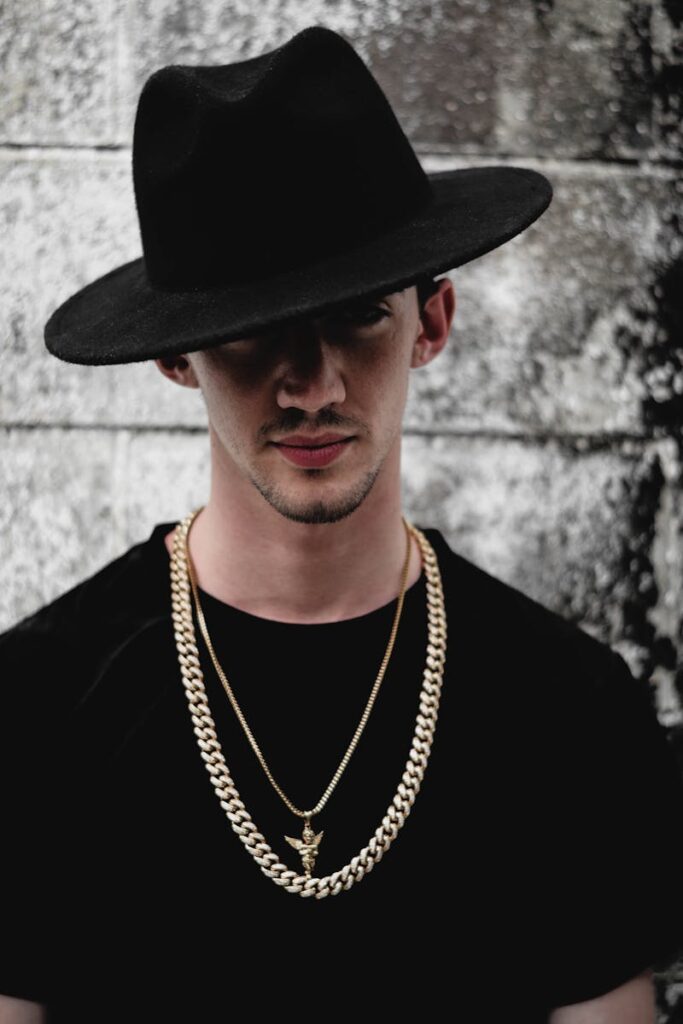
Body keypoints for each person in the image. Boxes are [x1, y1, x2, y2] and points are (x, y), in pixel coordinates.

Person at [2, 23, 683, 1024]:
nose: (310, 384)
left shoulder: (570, 711)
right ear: (177, 356)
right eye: (251, 326)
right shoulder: (34, 707)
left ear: (432, 324)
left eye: (359, 312)